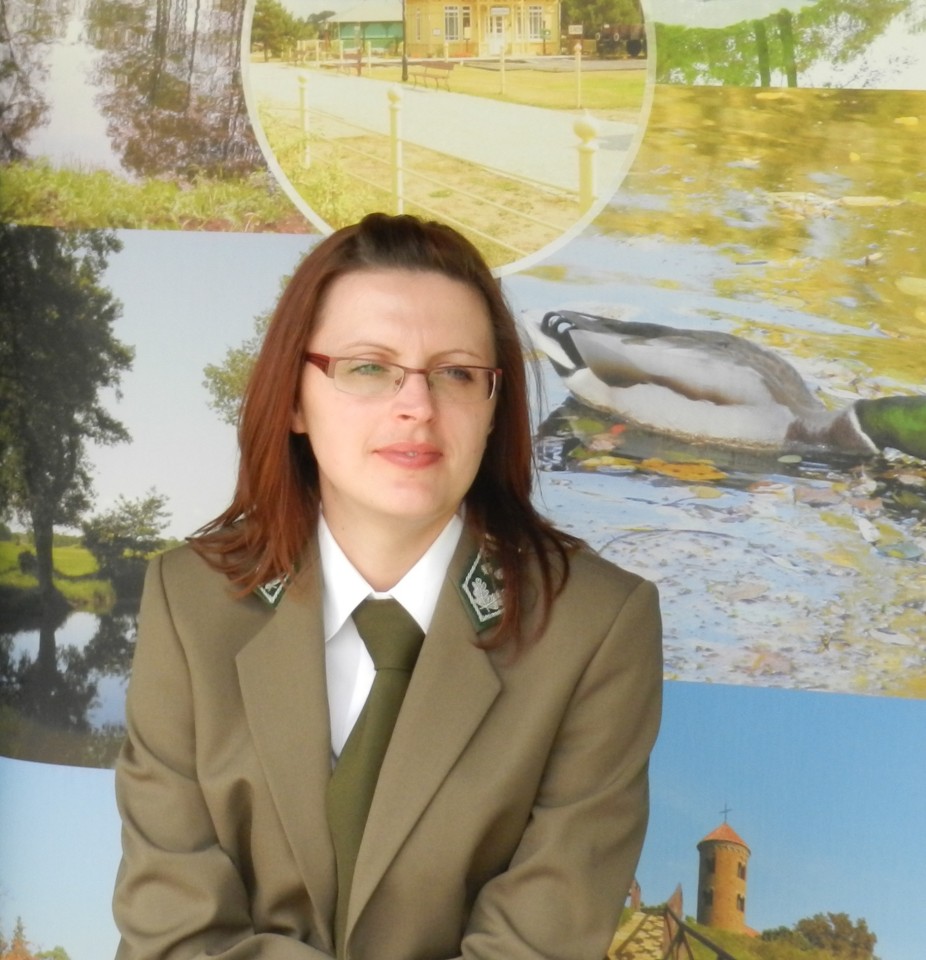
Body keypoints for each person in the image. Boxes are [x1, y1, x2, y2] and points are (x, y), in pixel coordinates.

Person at [112, 213, 663, 960]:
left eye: (456, 373)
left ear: (493, 407)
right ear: (295, 399)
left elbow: (537, 945)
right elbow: (174, 932)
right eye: (368, 367)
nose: (417, 407)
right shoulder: (189, 601)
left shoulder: (597, 627)